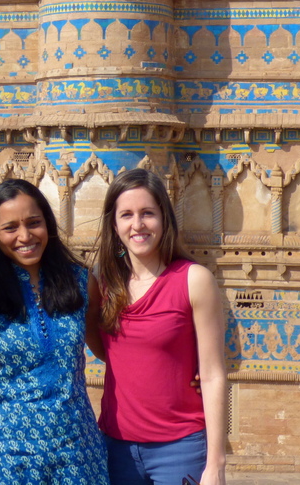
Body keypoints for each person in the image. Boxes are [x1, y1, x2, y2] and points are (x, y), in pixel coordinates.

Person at [0, 178, 108, 485]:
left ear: (48, 223)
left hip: (77, 446)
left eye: (34, 223)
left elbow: (111, 352)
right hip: (7, 453)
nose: (25, 236)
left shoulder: (82, 284)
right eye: (10, 227)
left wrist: (185, 372)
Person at [95, 168, 228, 485]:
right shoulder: (102, 285)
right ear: (114, 225)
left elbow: (212, 374)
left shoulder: (193, 281)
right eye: (126, 215)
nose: (137, 225)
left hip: (180, 447)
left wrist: (216, 465)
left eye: (147, 214)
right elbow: (108, 353)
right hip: (117, 449)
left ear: (164, 219)